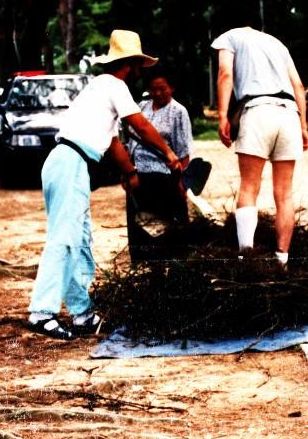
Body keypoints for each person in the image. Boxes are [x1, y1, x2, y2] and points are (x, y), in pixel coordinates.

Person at [26, 30, 182, 340]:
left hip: (75, 165)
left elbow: (113, 144)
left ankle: (82, 313)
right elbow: (141, 125)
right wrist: (169, 153)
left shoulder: (98, 90)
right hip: (69, 162)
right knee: (64, 238)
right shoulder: (113, 84)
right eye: (140, 64)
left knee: (80, 241)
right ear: (131, 64)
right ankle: (41, 312)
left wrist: (129, 172)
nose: (141, 72)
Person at [211, 25, 308, 266]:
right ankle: (282, 260)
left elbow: (225, 73)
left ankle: (246, 258)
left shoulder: (229, 36)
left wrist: (222, 115)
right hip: (289, 115)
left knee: (249, 188)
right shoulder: (278, 43)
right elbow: (298, 85)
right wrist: (304, 125)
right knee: (284, 194)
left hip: (257, 111)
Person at [124, 73, 193, 260]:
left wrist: (182, 181)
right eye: (154, 89)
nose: (158, 92)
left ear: (171, 88)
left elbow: (184, 150)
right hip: (139, 175)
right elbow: (131, 141)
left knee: (166, 226)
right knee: (140, 224)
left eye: (163, 88)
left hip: (164, 176)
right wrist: (128, 172)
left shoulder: (178, 111)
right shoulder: (141, 107)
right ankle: (141, 262)